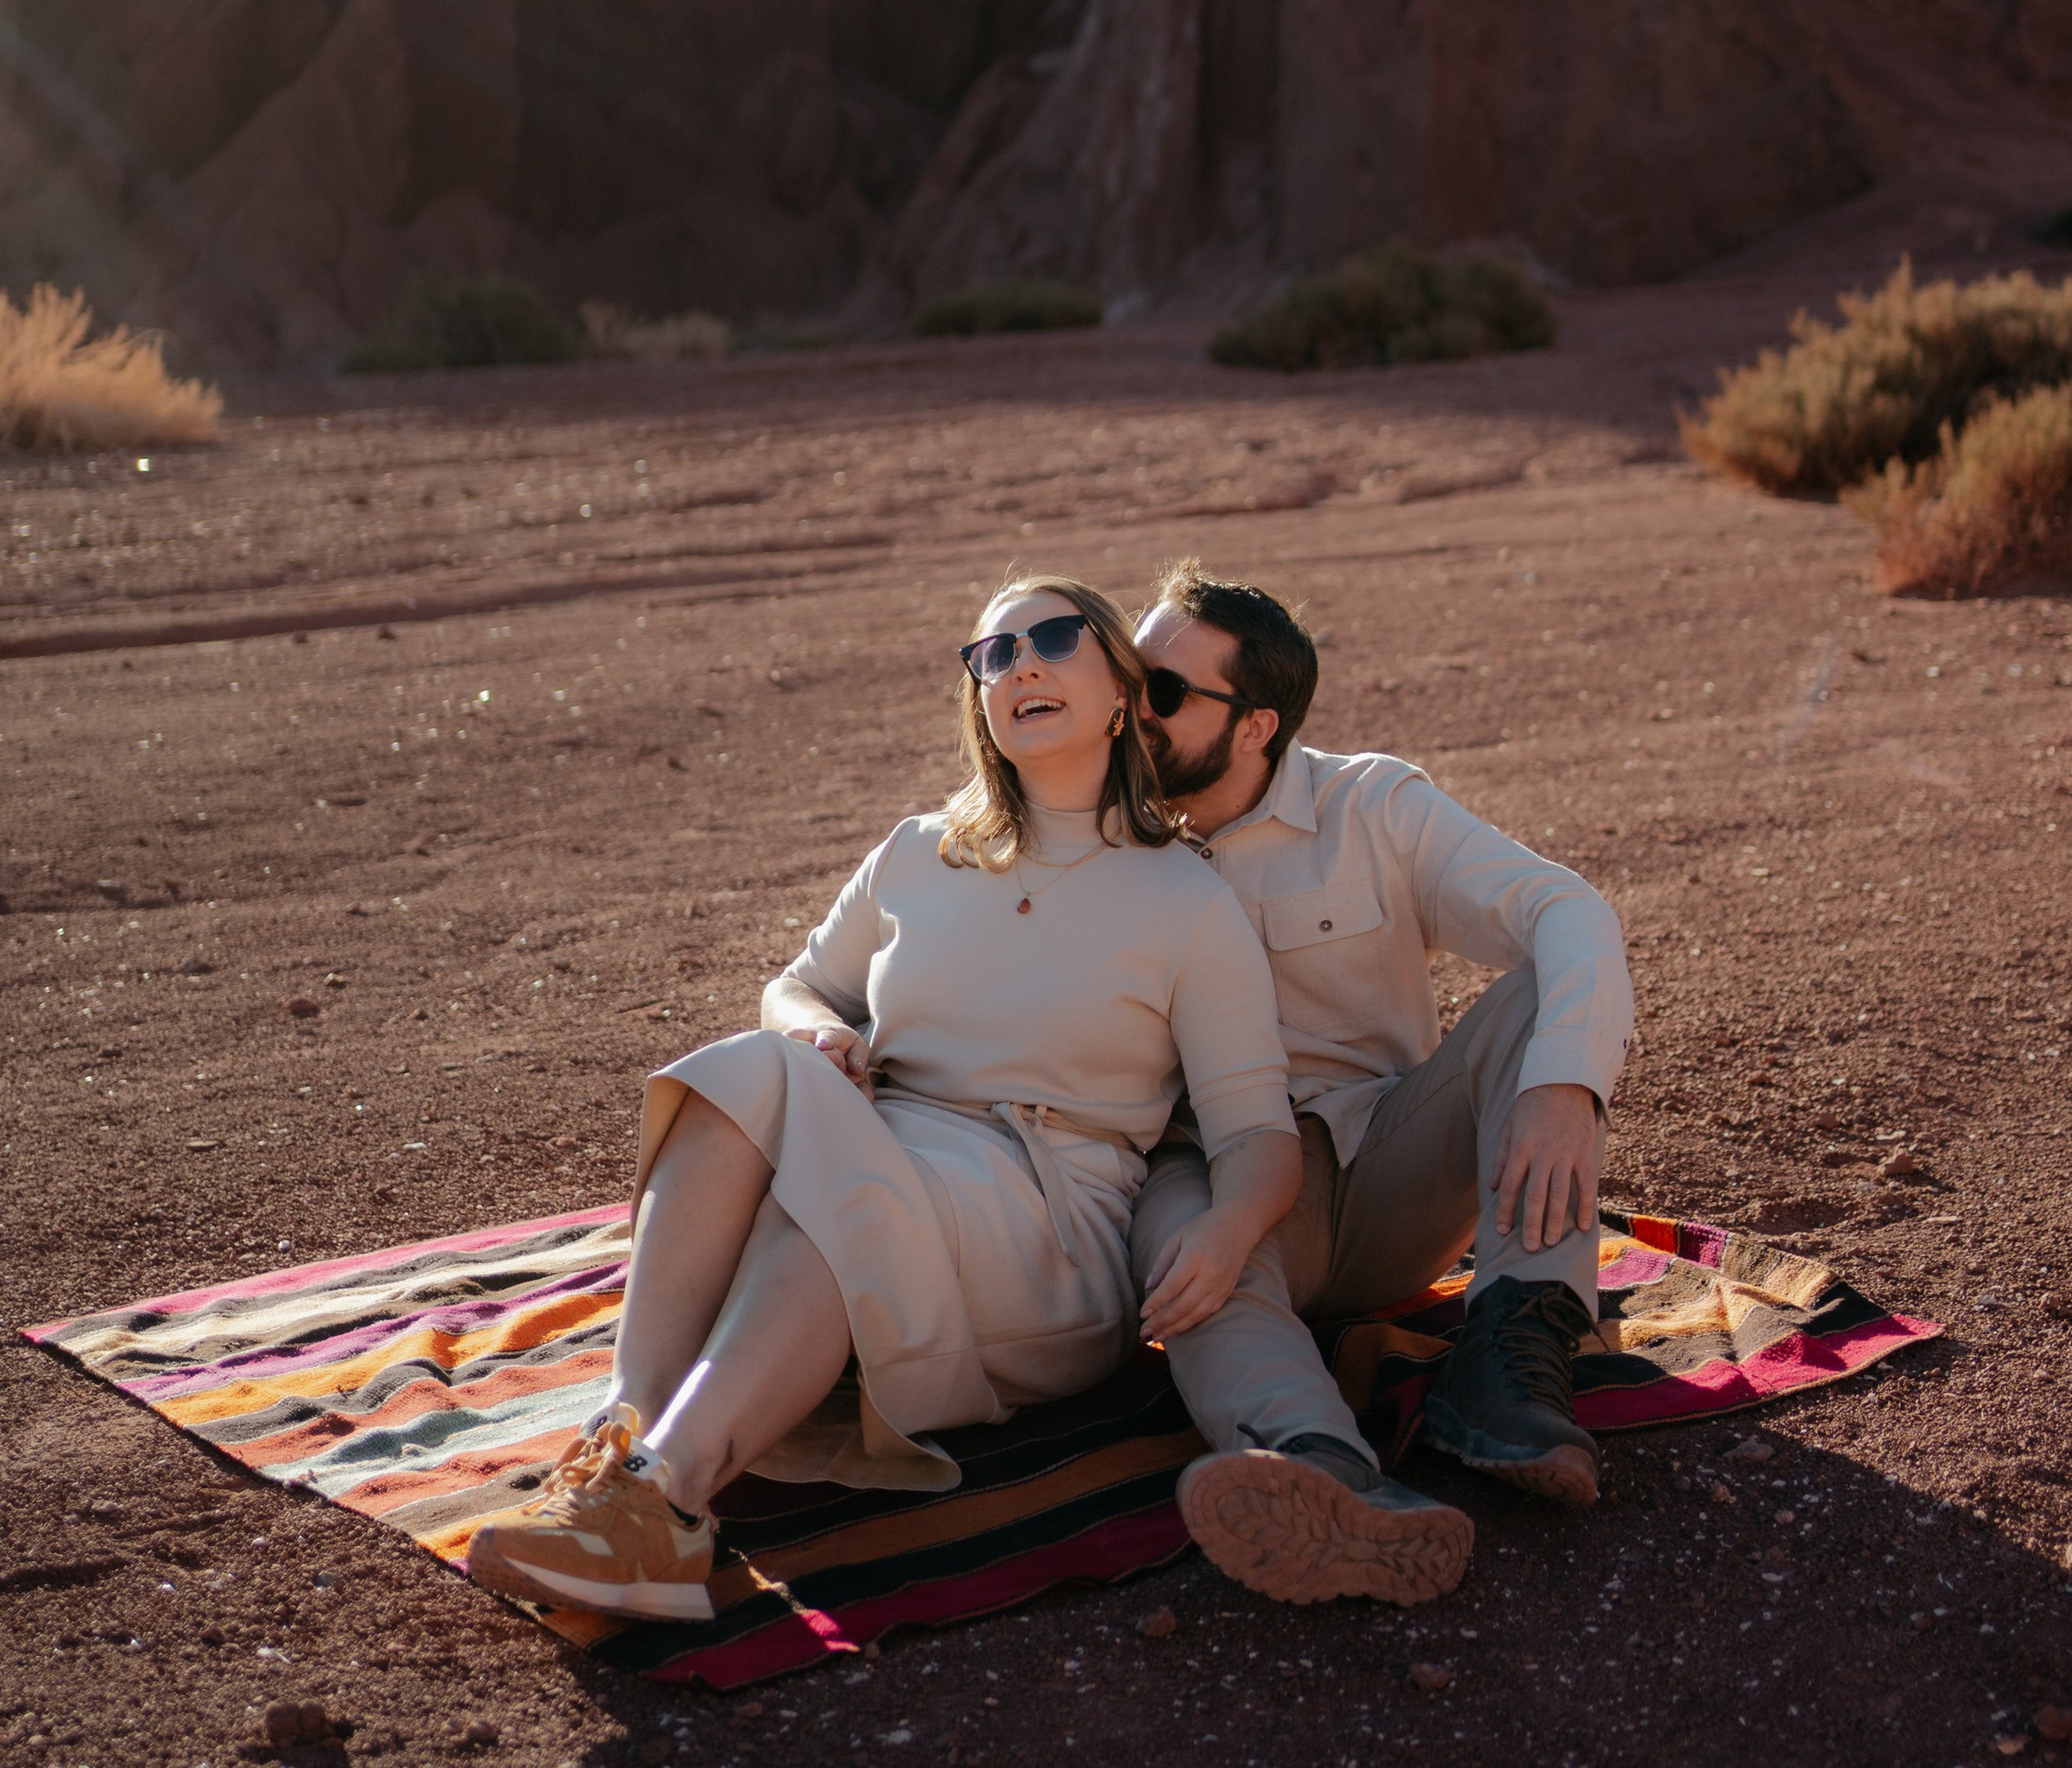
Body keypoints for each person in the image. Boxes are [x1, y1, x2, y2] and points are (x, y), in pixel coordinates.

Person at [466, 576, 1301, 1618]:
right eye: (992, 655)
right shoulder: (918, 853)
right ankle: (619, 1440)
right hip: (891, 1142)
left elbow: (1259, 1133)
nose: (1021, 665)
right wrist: (814, 1027)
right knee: (745, 1068)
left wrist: (1228, 1230)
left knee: (845, 1190)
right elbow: (798, 985)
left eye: (1052, 639)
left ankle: (666, 1513)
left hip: (1051, 1218)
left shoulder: (1189, 899)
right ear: (980, 702)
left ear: (1124, 690)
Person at [1127, 559, 1633, 1609]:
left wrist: (1564, 1090)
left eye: (1164, 692)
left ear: (1257, 724)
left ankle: (1506, 1374)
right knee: (1187, 1261)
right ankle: (1329, 1480)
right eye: (1132, 680)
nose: (1133, 710)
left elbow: (1567, 910)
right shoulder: (1103, 837)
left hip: (1387, 1168)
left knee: (1545, 995)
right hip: (1226, 1185)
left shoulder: (1372, 807)